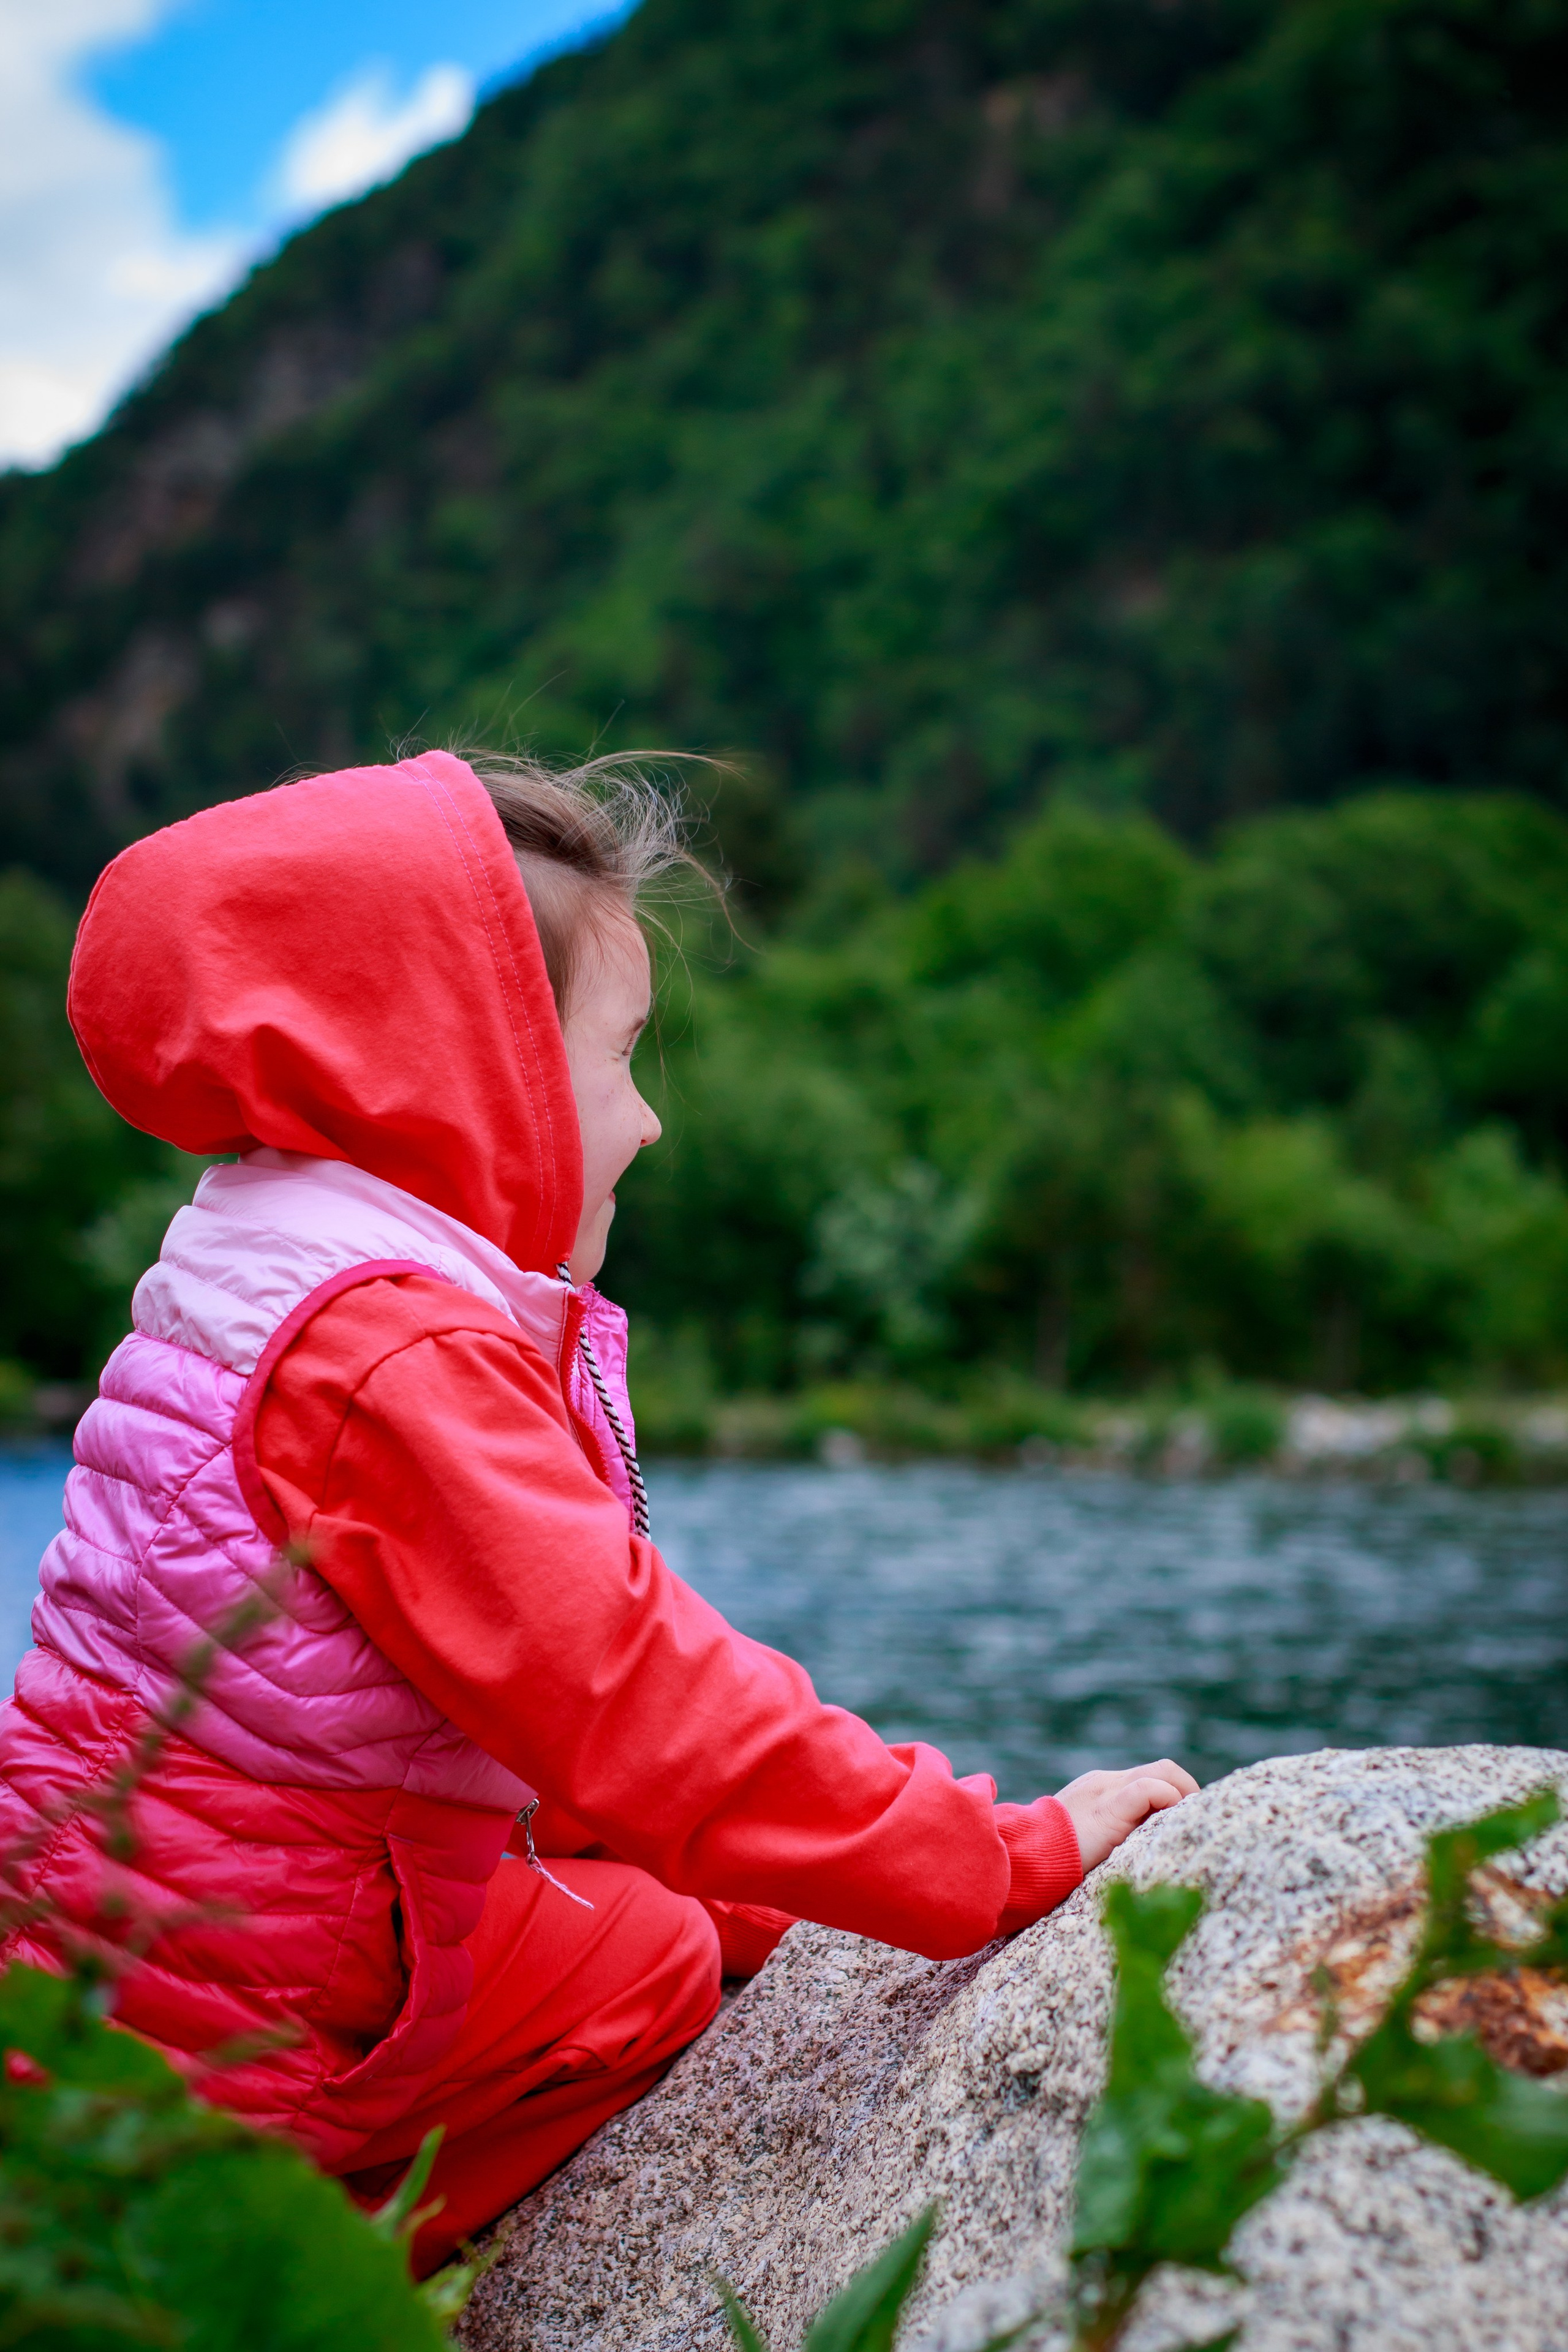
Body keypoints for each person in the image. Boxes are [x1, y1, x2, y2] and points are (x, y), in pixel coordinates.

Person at [0, 752, 1195, 2273]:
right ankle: (287, 2261)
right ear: (467, 1067)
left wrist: (800, 1897)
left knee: (645, 1898)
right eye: (621, 1056)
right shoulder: (399, 1364)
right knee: (649, 1958)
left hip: (105, 1979)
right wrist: (991, 1856)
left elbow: (528, 1735)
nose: (646, 1125)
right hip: (248, 2043)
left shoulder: (260, 1275)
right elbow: (635, 1705)